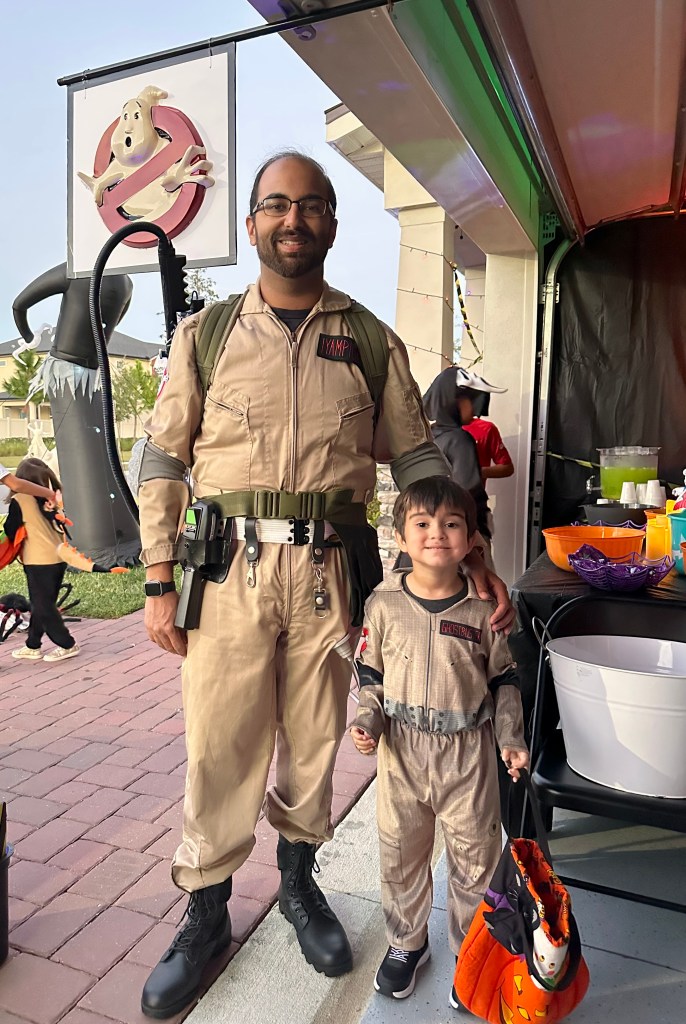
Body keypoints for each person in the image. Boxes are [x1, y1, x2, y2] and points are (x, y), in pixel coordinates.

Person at [137, 150, 515, 1019]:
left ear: (333, 224)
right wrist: (159, 574)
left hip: (330, 572)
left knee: (314, 737)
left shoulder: (371, 339)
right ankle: (204, 914)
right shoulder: (210, 334)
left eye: (311, 206)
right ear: (252, 225)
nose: (293, 220)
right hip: (227, 568)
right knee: (220, 742)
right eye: (277, 206)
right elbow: (163, 453)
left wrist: (474, 543)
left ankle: (301, 886)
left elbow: (419, 454)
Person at [350, 476, 529, 1006]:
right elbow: (370, 676)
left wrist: (511, 738)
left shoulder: (484, 610)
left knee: (475, 862)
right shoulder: (382, 606)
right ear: (401, 537)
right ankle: (406, 945)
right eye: (422, 525)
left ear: (472, 541)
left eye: (452, 524)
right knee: (401, 857)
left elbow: (505, 680)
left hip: (469, 757)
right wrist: (368, 722)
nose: (436, 535)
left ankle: (472, 957)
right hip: (401, 757)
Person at [3, 458, 80, 662]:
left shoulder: (20, 499)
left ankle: (67, 644)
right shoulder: (51, 500)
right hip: (58, 557)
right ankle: (32, 645)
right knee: (42, 603)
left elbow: (10, 529)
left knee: (43, 606)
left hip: (38, 559)